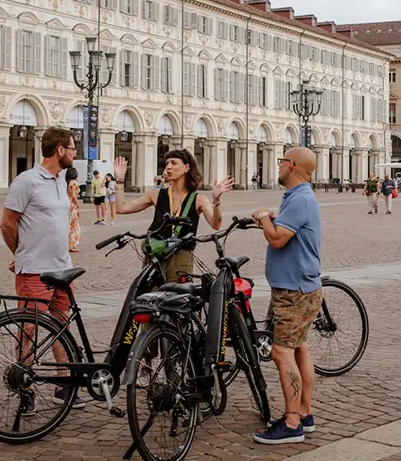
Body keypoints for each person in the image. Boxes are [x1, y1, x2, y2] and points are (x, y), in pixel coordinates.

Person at [0, 127, 85, 411]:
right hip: (35, 270)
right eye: (72, 148)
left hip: (62, 268)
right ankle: (26, 389)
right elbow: (7, 224)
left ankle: (65, 386)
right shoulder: (27, 181)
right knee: (28, 330)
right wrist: (22, 254)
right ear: (60, 150)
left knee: (61, 327)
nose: (75, 153)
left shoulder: (61, 180)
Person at [251, 147, 321, 445]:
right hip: (300, 286)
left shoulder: (300, 198)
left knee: (281, 352)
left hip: (294, 290)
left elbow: (278, 238)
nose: (278, 166)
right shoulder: (298, 197)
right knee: (299, 347)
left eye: (281, 161)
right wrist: (272, 216)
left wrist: (263, 216)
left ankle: (292, 423)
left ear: (291, 165)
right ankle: (304, 413)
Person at [112, 149, 234, 283]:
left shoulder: (198, 199)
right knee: (147, 298)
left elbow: (216, 224)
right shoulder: (157, 194)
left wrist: (216, 201)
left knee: (178, 298)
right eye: (167, 163)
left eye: (174, 163)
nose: (168, 166)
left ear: (186, 167)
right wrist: (119, 180)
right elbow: (121, 208)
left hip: (181, 256)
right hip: (155, 254)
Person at [66, 166, 81, 252]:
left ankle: (69, 244)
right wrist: (77, 204)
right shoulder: (73, 182)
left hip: (68, 204)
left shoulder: (67, 182)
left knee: (69, 225)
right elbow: (74, 195)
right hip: (72, 205)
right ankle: (72, 245)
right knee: (74, 225)